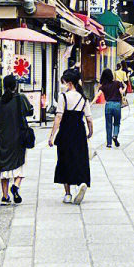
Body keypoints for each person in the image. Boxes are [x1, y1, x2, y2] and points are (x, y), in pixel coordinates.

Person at [48, 68, 93, 204]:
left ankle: (67, 194)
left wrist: (52, 136)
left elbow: (59, 116)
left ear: (69, 83)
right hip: (79, 131)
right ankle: (81, 183)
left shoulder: (63, 97)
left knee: (64, 159)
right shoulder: (83, 98)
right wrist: (90, 132)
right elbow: (89, 118)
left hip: (65, 132)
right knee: (80, 158)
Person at [0, 74, 33, 205]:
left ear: (4, 86)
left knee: (4, 167)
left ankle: (5, 197)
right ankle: (15, 185)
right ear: (15, 86)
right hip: (18, 137)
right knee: (19, 165)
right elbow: (30, 112)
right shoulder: (20, 99)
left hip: (3, 139)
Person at [94, 68, 126, 147]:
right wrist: (125, 87)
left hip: (108, 105)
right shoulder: (117, 83)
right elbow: (122, 92)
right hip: (117, 105)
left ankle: (109, 143)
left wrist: (90, 103)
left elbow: (98, 96)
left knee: (108, 124)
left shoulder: (103, 86)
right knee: (116, 123)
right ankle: (115, 135)